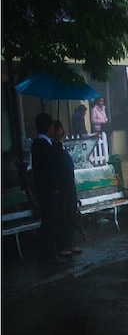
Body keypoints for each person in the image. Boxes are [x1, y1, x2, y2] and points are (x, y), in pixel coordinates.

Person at [31, 112, 63, 264]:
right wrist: (55, 186)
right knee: (51, 222)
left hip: (42, 190)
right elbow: (49, 170)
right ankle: (49, 254)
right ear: (49, 127)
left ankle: (47, 253)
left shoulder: (37, 144)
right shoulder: (44, 146)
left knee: (49, 221)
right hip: (48, 190)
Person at [52, 119, 81, 257]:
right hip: (62, 186)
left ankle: (70, 242)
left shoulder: (61, 147)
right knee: (62, 216)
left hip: (70, 184)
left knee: (71, 214)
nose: (61, 132)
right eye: (58, 129)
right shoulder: (53, 148)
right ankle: (62, 245)